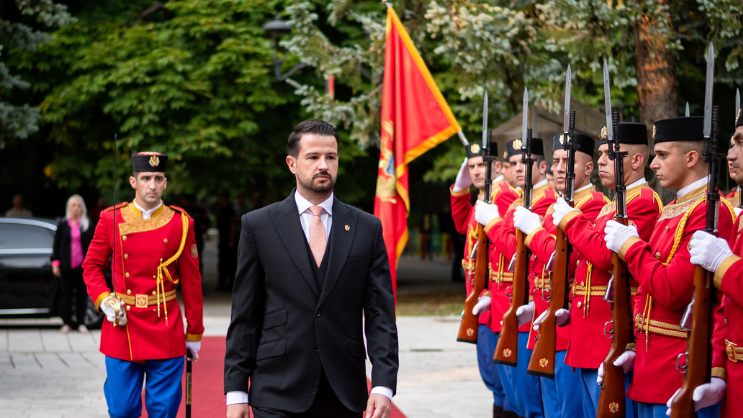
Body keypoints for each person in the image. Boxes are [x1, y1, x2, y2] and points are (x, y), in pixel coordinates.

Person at [224, 119, 399, 418]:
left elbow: (380, 314)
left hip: (343, 390)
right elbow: (245, 315)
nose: (323, 165)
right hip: (276, 387)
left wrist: (383, 385)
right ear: (292, 164)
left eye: (331, 157)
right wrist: (236, 391)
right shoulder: (259, 225)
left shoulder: (366, 228)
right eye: (313, 157)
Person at [601, 117, 735, 418]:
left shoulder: (709, 210)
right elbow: (644, 290)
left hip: (678, 364)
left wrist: (631, 247)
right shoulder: (674, 208)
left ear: (691, 158)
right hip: (649, 361)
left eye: (662, 155)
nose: (653, 164)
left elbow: (671, 290)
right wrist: (631, 344)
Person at [548, 123, 660, 418]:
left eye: (609, 155)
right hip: (588, 333)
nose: (600, 161)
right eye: (599, 154)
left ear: (636, 160)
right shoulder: (610, 206)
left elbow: (602, 257)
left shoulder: (643, 202)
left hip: (609, 332)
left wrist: (572, 220)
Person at [82, 152, 204, 418]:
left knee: (164, 410)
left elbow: (192, 283)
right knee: (122, 409)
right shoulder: (111, 219)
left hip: (165, 325)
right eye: (146, 178)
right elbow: (91, 266)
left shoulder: (181, 223)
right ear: (133, 182)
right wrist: (104, 299)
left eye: (158, 178)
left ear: (165, 183)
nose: (152, 185)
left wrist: (194, 332)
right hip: (122, 323)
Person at [509, 132, 607, 418]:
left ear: (588, 168)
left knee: (568, 411)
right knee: (548, 409)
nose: (560, 168)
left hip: (568, 330)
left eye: (568, 161)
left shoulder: (594, 206)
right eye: (556, 161)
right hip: (546, 323)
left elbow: (563, 263)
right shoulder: (556, 207)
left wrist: (534, 231)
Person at [669, 109, 743, 416]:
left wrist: (724, 264)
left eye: (741, 143)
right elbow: (724, 305)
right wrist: (718, 372)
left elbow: (672, 289)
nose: (730, 154)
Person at [476, 137, 555, 418]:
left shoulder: (548, 202)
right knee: (514, 395)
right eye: (513, 163)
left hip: (527, 307)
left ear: (542, 166)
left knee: (529, 399)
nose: (518, 168)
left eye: (525, 162)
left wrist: (493, 224)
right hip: (508, 306)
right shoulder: (519, 202)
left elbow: (518, 252)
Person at [450, 141, 518, 418]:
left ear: (497, 167)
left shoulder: (503, 197)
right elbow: (461, 223)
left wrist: (489, 292)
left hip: (494, 299)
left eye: (482, 165)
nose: (477, 171)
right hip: (479, 297)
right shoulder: (484, 196)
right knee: (492, 375)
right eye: (472, 166)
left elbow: (505, 250)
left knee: (502, 378)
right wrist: (459, 189)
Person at [52, 194, 95, 333]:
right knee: (66, 294)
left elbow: (93, 245)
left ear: (83, 208)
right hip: (66, 265)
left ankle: (81, 323)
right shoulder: (63, 225)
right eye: (73, 206)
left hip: (83, 266)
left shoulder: (87, 225)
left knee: (82, 294)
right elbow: (56, 245)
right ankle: (67, 323)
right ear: (69, 208)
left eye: (79, 206)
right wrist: (55, 263)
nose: (76, 208)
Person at [216, 192, 238, 291]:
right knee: (222, 262)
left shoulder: (230, 210)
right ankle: (222, 282)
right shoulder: (221, 209)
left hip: (228, 239)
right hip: (223, 238)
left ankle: (230, 283)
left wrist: (231, 240)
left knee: (229, 262)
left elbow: (233, 225)